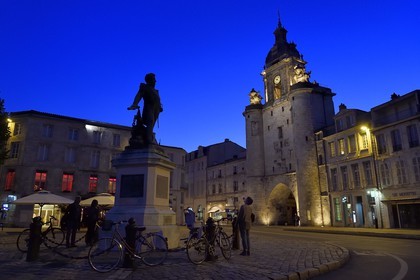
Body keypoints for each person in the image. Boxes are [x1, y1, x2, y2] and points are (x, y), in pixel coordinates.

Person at [127, 73, 163, 145]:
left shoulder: (156, 91)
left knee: (152, 124)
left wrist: (160, 107)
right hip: (148, 107)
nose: (155, 81)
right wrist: (135, 104)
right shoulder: (144, 87)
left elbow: (158, 100)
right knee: (150, 121)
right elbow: (139, 95)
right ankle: (148, 141)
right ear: (149, 80)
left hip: (156, 109)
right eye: (154, 79)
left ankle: (148, 138)